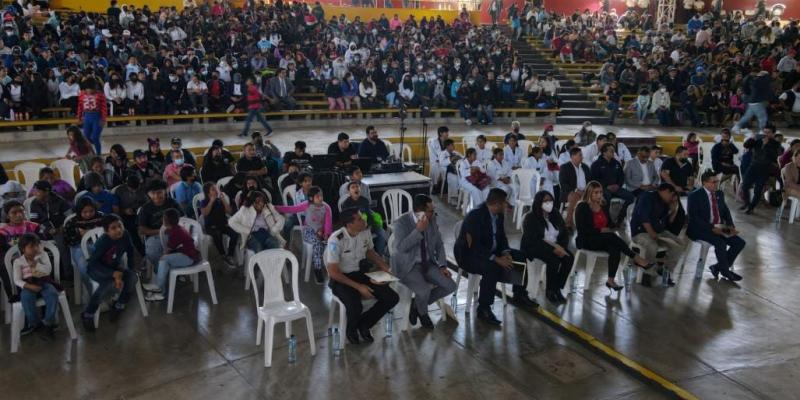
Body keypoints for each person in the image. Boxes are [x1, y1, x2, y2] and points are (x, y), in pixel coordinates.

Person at [453, 189, 538, 326]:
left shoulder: (499, 215)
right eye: (504, 203)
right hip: (470, 255)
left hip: (491, 250)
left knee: (520, 256)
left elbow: (501, 236)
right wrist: (496, 259)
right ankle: (484, 308)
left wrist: (505, 253)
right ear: (497, 203)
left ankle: (519, 294)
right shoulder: (475, 216)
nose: (506, 205)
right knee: (491, 268)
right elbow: (475, 246)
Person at [324, 207, 398, 345]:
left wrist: (386, 268)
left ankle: (364, 325)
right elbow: (333, 272)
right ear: (349, 224)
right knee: (355, 306)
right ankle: (351, 330)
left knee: (392, 297)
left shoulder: (365, 232)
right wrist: (359, 287)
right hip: (341, 279)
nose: (363, 219)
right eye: (359, 219)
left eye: (362, 216)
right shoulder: (336, 239)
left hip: (361, 274)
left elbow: (370, 252)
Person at [390, 194, 456, 329]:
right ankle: (423, 313)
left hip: (427, 263)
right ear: (420, 212)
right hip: (407, 266)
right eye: (431, 211)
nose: (434, 213)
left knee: (450, 285)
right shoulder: (401, 223)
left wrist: (443, 265)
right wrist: (418, 230)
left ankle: (417, 306)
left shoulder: (432, 220)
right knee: (424, 290)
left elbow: (439, 244)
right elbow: (401, 248)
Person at [575, 181, 652, 291]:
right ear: (589, 193)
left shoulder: (603, 205)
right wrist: (601, 230)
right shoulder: (582, 206)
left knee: (614, 248)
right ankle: (636, 258)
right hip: (586, 239)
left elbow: (609, 224)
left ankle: (610, 280)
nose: (599, 195)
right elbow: (583, 230)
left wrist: (615, 223)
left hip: (602, 239)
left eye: (600, 192)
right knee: (611, 236)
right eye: (595, 193)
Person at [80, 214, 138, 332]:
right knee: (106, 285)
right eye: (113, 228)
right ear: (106, 231)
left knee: (132, 277)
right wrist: (112, 274)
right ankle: (88, 314)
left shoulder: (125, 235)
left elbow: (130, 251)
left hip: (114, 267)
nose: (118, 230)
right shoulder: (103, 242)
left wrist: (131, 268)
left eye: (120, 226)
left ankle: (119, 305)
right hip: (97, 269)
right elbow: (93, 263)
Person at [687, 171, 745, 282]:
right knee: (720, 243)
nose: (716, 184)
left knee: (739, 243)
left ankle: (717, 267)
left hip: (719, 226)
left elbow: (725, 211)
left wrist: (730, 226)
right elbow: (694, 218)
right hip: (701, 228)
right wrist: (712, 228)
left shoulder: (719, 193)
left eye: (717, 181)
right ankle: (725, 272)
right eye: (713, 182)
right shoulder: (694, 196)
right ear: (705, 183)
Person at [521, 191, 573, 304]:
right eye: (545, 201)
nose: (548, 203)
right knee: (554, 260)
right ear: (539, 202)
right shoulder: (531, 217)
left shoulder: (555, 214)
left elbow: (564, 233)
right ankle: (550, 291)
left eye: (550, 200)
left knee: (569, 258)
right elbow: (533, 240)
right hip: (536, 247)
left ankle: (557, 288)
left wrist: (561, 247)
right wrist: (553, 249)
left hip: (556, 246)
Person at [630, 184, 687, 286]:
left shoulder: (665, 203)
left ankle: (666, 271)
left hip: (659, 231)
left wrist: (673, 210)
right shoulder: (647, 196)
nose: (672, 197)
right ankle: (646, 274)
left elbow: (668, 223)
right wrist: (651, 232)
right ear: (665, 191)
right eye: (671, 194)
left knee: (680, 245)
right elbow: (643, 217)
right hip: (641, 232)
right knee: (652, 245)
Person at [275, 186, 333, 284]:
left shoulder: (325, 208)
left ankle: (331, 270)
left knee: (331, 243)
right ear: (311, 198)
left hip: (321, 232)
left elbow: (328, 223)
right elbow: (292, 209)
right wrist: (276, 208)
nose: (321, 198)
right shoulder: (306, 205)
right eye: (318, 196)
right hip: (309, 231)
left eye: (321, 196)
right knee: (318, 243)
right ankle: (317, 269)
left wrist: (327, 234)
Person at [142, 208, 201, 301]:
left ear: (165, 220)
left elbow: (168, 250)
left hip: (189, 258)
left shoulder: (176, 232)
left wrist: (162, 256)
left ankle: (159, 287)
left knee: (163, 259)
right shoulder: (176, 228)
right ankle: (160, 292)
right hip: (185, 254)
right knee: (164, 262)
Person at [13, 234, 61, 338]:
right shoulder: (18, 262)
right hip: (29, 284)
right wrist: (29, 286)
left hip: (44, 281)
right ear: (23, 249)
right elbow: (17, 279)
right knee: (26, 298)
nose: (35, 248)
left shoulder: (42, 255)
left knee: (52, 294)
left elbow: (48, 270)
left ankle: (48, 323)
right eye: (31, 246)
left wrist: (36, 265)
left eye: (36, 245)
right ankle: (35, 323)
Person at [139, 179, 182, 268]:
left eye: (159, 192)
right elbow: (142, 230)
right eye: (152, 193)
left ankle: (176, 268)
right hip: (155, 235)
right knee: (153, 251)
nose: (156, 196)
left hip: (174, 232)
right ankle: (160, 270)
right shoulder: (145, 209)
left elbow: (183, 219)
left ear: (165, 191)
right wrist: (161, 231)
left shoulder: (172, 203)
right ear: (148, 194)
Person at [740, 125, 782, 214]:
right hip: (753, 166)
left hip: (764, 169)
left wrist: (766, 145)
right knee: (745, 186)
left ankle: (751, 207)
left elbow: (774, 156)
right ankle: (747, 203)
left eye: (768, 132)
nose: (766, 134)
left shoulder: (776, 144)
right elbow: (746, 145)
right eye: (764, 132)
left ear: (773, 134)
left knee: (758, 190)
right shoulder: (758, 140)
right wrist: (752, 139)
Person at [340, 182, 388, 257]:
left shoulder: (364, 200)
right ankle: (362, 258)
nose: (356, 188)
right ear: (349, 191)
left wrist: (369, 225)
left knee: (382, 233)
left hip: (366, 224)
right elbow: (347, 221)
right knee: (362, 238)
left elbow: (369, 215)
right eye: (353, 187)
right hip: (355, 227)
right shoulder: (346, 204)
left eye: (357, 187)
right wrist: (359, 227)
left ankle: (379, 256)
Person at [591, 143, 635, 224]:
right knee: (606, 197)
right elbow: (594, 179)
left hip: (616, 188)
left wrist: (618, 185)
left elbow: (621, 176)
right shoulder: (596, 164)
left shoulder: (616, 163)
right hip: (603, 189)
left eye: (614, 151)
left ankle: (620, 218)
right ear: (604, 152)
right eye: (611, 151)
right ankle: (608, 220)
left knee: (630, 197)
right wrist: (606, 186)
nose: (613, 153)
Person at [199, 182, 238, 268]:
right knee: (217, 233)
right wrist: (211, 202)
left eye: (216, 189)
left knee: (235, 234)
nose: (216, 191)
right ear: (208, 193)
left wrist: (223, 200)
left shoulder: (220, 201)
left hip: (223, 225)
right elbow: (205, 213)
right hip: (211, 227)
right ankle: (223, 255)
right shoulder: (204, 202)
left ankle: (230, 255)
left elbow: (230, 212)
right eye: (213, 189)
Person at [559, 147, 591, 228]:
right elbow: (563, 183)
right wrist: (576, 190)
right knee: (575, 196)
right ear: (573, 156)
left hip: (585, 191)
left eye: (582, 155)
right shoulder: (565, 167)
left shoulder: (585, 167)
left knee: (599, 196)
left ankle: (594, 223)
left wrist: (587, 190)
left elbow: (590, 181)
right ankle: (568, 223)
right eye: (580, 155)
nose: (582, 157)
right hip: (570, 192)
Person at [77, 78, 107, 155]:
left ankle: (98, 154)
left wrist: (103, 119)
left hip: (97, 117)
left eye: (92, 88)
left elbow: (104, 108)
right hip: (86, 116)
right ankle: (91, 151)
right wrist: (79, 117)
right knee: (86, 137)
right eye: (88, 88)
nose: (90, 91)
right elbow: (80, 106)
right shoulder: (81, 94)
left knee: (95, 137)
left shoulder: (100, 95)